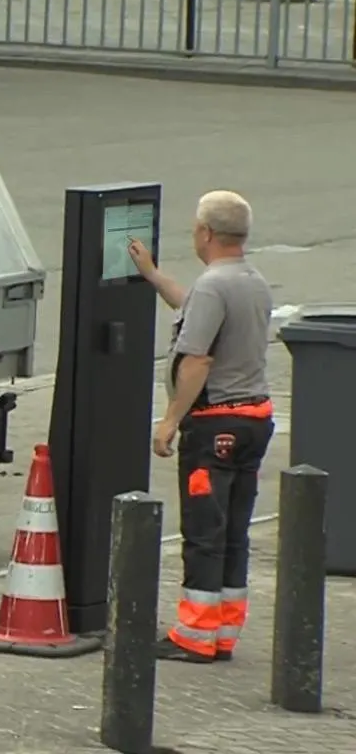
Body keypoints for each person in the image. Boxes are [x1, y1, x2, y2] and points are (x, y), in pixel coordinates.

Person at [128, 189, 274, 664]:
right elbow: (190, 304)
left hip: (215, 428)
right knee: (233, 531)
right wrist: (152, 275)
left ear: (207, 233)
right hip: (253, 420)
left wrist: (170, 420)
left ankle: (194, 635)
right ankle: (224, 630)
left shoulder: (215, 285)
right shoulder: (250, 280)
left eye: (195, 227)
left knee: (204, 531)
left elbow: (196, 360)